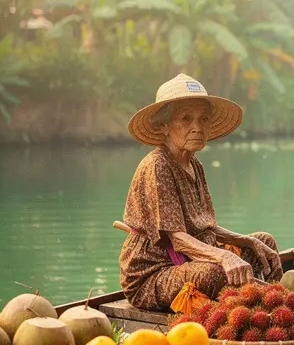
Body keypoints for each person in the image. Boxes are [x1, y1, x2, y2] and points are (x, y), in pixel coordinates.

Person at [118, 74, 284, 311]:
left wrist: (247, 241)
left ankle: (270, 309)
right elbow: (177, 239)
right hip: (155, 273)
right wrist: (223, 256)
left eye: (203, 119)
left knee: (263, 242)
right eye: (186, 119)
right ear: (164, 126)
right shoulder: (158, 166)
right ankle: (253, 306)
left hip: (191, 260)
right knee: (215, 273)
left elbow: (206, 227)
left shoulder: (194, 164)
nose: (197, 127)